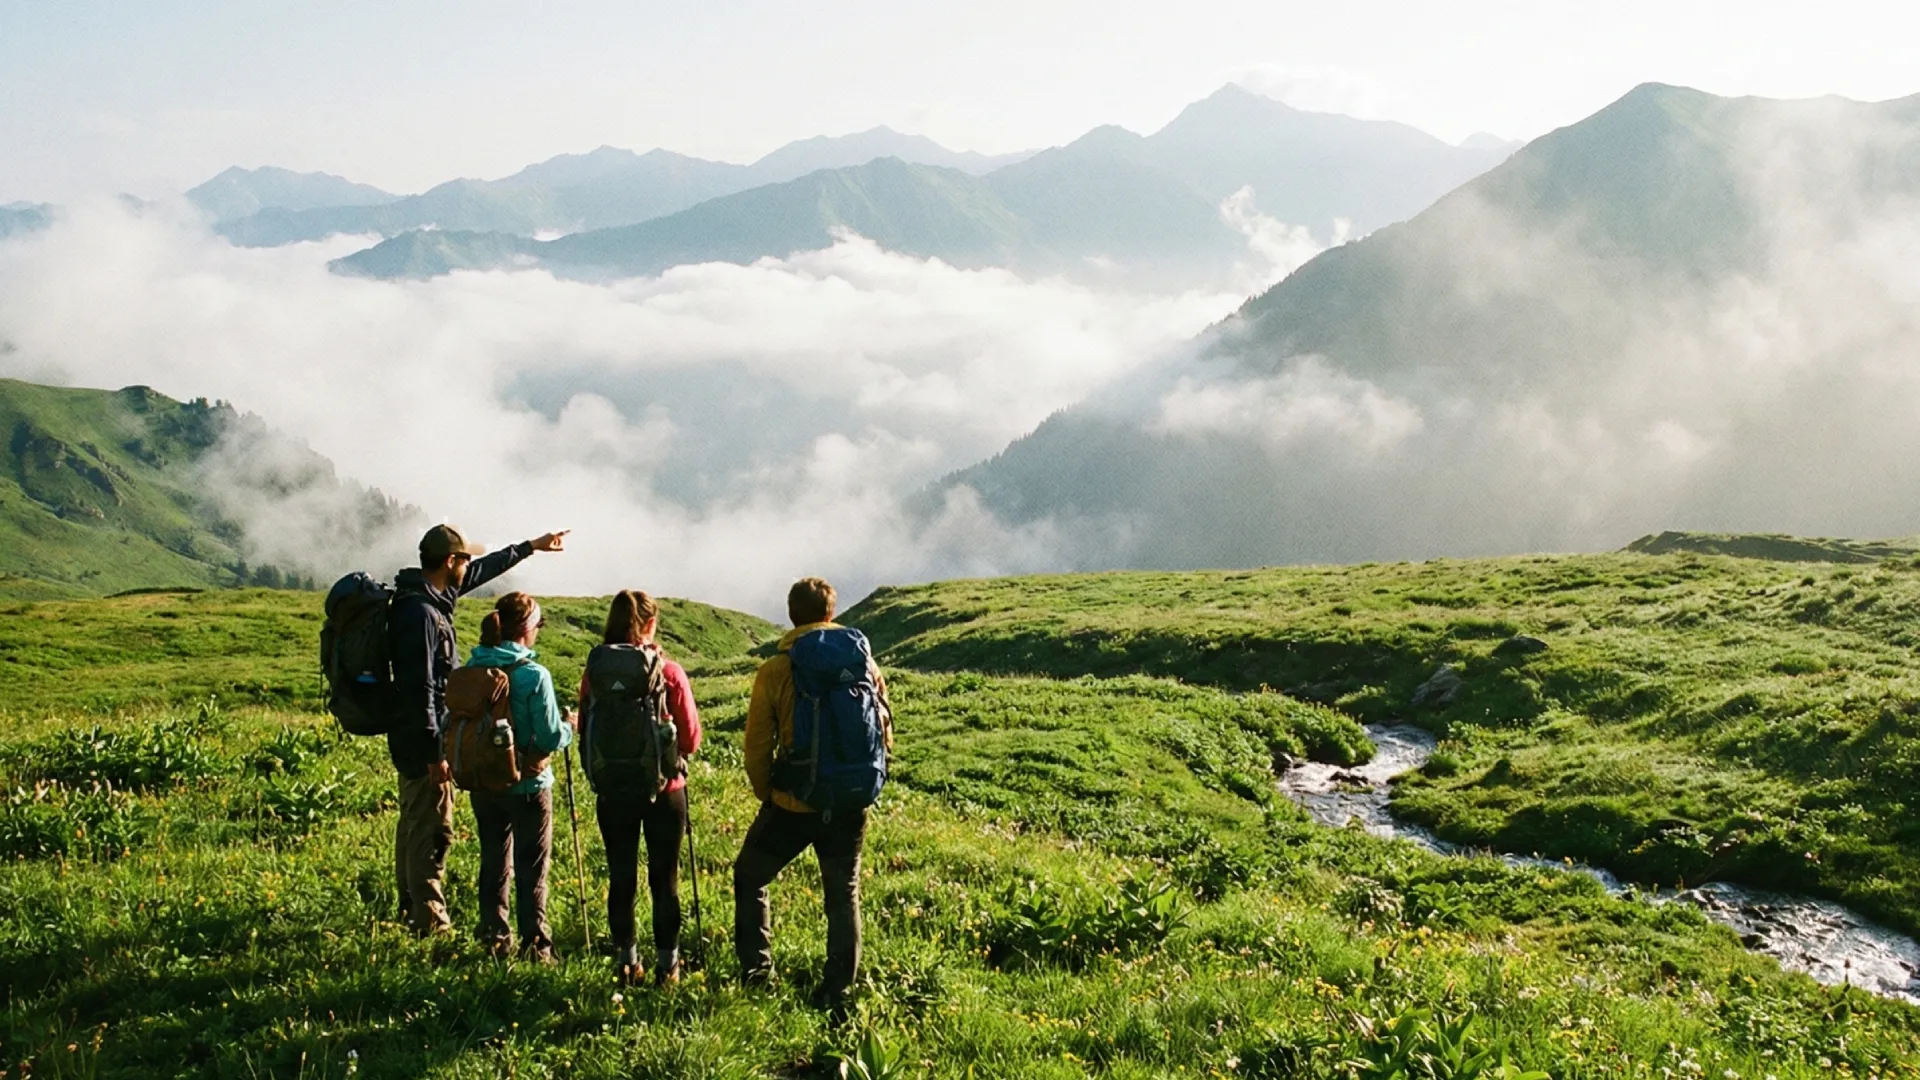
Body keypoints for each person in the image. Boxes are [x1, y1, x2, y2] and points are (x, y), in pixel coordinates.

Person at [389, 523, 567, 937]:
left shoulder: (429, 597)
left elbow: (483, 570)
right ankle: (428, 923)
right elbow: (422, 692)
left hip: (422, 737)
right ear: (451, 561)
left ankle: (413, 909)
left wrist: (529, 548)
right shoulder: (421, 614)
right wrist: (437, 753)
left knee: (417, 822)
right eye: (465, 560)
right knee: (430, 828)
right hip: (422, 740)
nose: (469, 569)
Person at [733, 577, 892, 1007]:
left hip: (794, 800)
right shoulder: (863, 661)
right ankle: (837, 992)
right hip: (851, 800)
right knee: (843, 893)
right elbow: (883, 727)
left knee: (751, 876)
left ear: (791, 615)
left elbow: (758, 742)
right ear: (830, 613)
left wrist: (768, 790)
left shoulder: (776, 669)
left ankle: (757, 975)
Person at [578, 590, 703, 986]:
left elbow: (585, 728)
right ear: (650, 624)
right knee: (664, 879)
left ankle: (627, 963)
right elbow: (692, 738)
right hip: (665, 790)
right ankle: (668, 967)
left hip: (613, 789)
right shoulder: (668, 672)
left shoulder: (594, 671)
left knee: (621, 877)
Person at [464, 591, 573, 961]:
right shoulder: (533, 675)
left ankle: (494, 937)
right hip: (528, 784)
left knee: (494, 859)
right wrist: (571, 727)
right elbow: (550, 737)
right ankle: (536, 945)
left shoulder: (474, 666)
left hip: (484, 781)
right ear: (528, 629)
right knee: (532, 867)